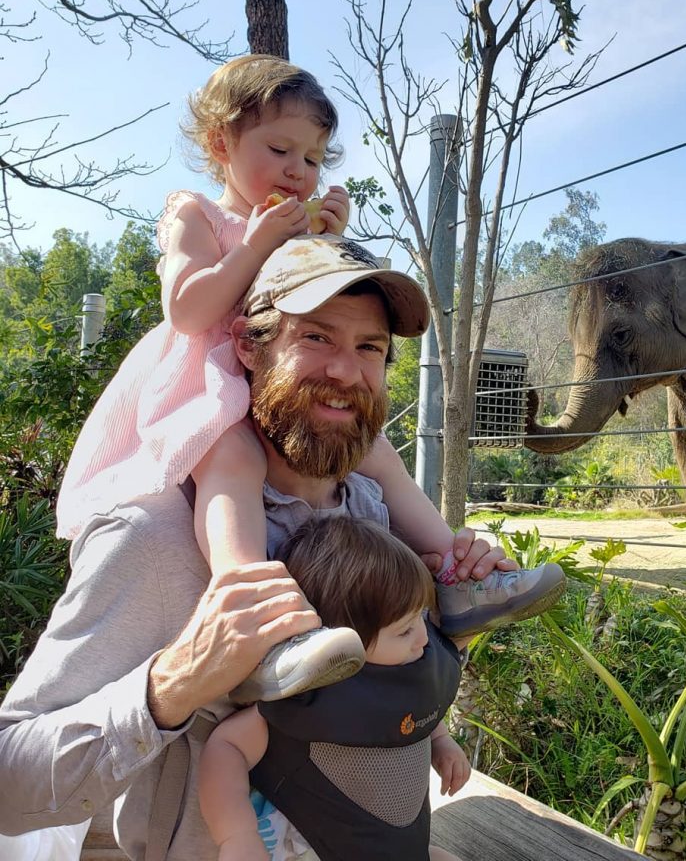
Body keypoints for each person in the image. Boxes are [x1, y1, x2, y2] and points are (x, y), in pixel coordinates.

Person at [0, 233, 563, 860]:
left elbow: (384, 686)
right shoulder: (155, 538)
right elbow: (8, 782)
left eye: (370, 348)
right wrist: (172, 684)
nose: (346, 371)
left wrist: (449, 603)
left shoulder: (376, 512)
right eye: (316, 337)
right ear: (247, 345)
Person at [54, 54, 562, 703]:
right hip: (208, 389)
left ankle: (455, 571)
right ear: (220, 144)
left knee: (380, 454)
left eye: (315, 158)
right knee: (231, 458)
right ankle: (254, 619)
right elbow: (189, 310)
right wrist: (255, 246)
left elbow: (311, 295)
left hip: (268, 384)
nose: (299, 170)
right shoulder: (198, 216)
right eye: (280, 149)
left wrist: (327, 240)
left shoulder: (289, 224)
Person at [200, 515, 470, 861]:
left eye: (421, 616)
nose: (422, 639)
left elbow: (416, 707)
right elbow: (226, 748)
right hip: (315, 843)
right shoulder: (310, 700)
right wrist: (235, 836)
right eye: (403, 630)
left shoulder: (411, 666)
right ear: (340, 636)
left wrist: (441, 741)